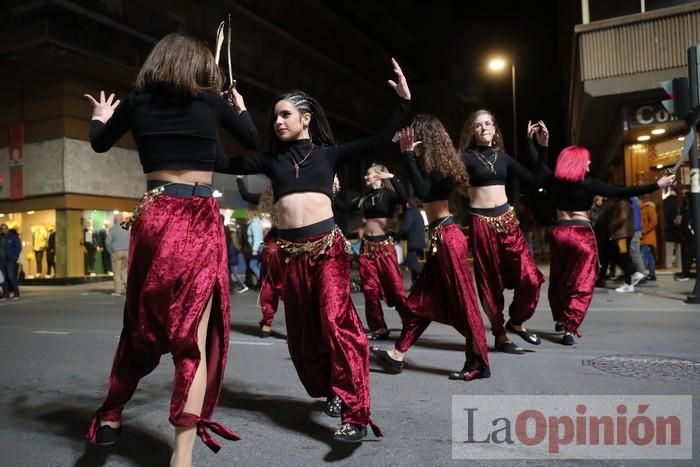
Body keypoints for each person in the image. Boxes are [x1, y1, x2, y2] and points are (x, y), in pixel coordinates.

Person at [83, 33, 259, 465]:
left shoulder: (137, 102)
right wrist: (237, 105)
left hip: (155, 216)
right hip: (199, 218)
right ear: (201, 65)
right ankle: (181, 459)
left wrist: (100, 116)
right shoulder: (212, 103)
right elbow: (252, 140)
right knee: (191, 341)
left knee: (138, 325)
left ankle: (110, 417)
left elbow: (99, 142)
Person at [215, 58, 411, 442]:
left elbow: (377, 139)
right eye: (274, 117)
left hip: (327, 251)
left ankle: (355, 413)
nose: (278, 122)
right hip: (291, 256)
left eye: (285, 115)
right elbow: (223, 159)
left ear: (306, 118)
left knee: (338, 324)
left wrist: (404, 102)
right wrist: (229, 110)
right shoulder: (271, 161)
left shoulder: (327, 155)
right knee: (304, 336)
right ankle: (334, 389)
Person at [371, 115, 490, 382]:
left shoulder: (442, 167)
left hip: (449, 239)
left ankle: (478, 362)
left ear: (425, 137)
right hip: (441, 239)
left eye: (415, 135)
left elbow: (424, 192)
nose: (411, 139)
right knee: (418, 303)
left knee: (464, 304)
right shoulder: (434, 163)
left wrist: (408, 155)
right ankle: (397, 354)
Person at [528, 129, 674, 344]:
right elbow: (624, 192)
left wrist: (537, 144)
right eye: (586, 161)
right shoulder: (590, 184)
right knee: (582, 282)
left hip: (560, 234)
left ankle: (560, 317)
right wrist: (657, 185)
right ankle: (570, 327)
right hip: (581, 234)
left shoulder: (553, 181)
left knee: (560, 279)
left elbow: (538, 166)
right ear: (578, 162)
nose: (589, 164)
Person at [457, 111, 544, 355]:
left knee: (530, 277)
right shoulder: (464, 158)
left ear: (495, 129)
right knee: (489, 284)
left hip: (508, 223)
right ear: (472, 132)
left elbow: (536, 177)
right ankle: (500, 335)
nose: (483, 128)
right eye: (477, 125)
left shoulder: (503, 158)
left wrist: (537, 146)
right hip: (481, 225)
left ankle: (516, 322)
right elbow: (445, 177)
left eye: (488, 123)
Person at [334, 163, 411, 340]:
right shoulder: (365, 197)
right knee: (370, 290)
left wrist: (391, 178)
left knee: (396, 289)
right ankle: (379, 328)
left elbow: (404, 197)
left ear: (378, 175)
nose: (365, 177)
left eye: (368, 174)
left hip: (384, 248)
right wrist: (332, 192)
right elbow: (344, 207)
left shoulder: (390, 196)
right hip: (366, 248)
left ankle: (409, 321)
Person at [236, 176, 282, 337]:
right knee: (284, 287)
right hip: (286, 244)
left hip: (278, 245)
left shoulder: (272, 195)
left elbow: (245, 195)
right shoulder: (295, 193)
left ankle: (267, 324)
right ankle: (274, 324)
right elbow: (246, 195)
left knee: (270, 286)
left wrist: (239, 178)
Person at [398, 197, 426, 288]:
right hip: (419, 241)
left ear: (407, 204)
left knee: (410, 262)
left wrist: (399, 235)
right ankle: (415, 284)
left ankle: (424, 277)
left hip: (414, 242)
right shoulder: (417, 212)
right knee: (414, 262)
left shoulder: (409, 213)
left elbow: (406, 227)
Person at [105, 213, 130, 296]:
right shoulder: (127, 228)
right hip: (127, 252)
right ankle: (128, 290)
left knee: (117, 272)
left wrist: (110, 251)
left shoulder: (113, 229)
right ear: (122, 219)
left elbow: (107, 242)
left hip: (117, 252)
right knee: (124, 271)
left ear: (115, 220)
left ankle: (118, 291)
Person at [0, 224, 21, 300]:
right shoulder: (0, 238)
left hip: (10, 261)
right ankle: (6, 294)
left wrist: (14, 258)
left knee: (11, 276)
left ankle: (16, 293)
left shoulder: (13, 237)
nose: (4, 230)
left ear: (7, 229)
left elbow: (18, 248)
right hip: (1, 261)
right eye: (2, 229)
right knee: (3, 278)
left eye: (5, 228)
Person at [640, 198, 658, 281]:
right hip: (646, 237)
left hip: (647, 237)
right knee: (649, 256)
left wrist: (644, 231)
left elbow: (654, 221)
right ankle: (652, 274)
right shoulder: (642, 209)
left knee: (643, 256)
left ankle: (641, 275)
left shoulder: (648, 208)